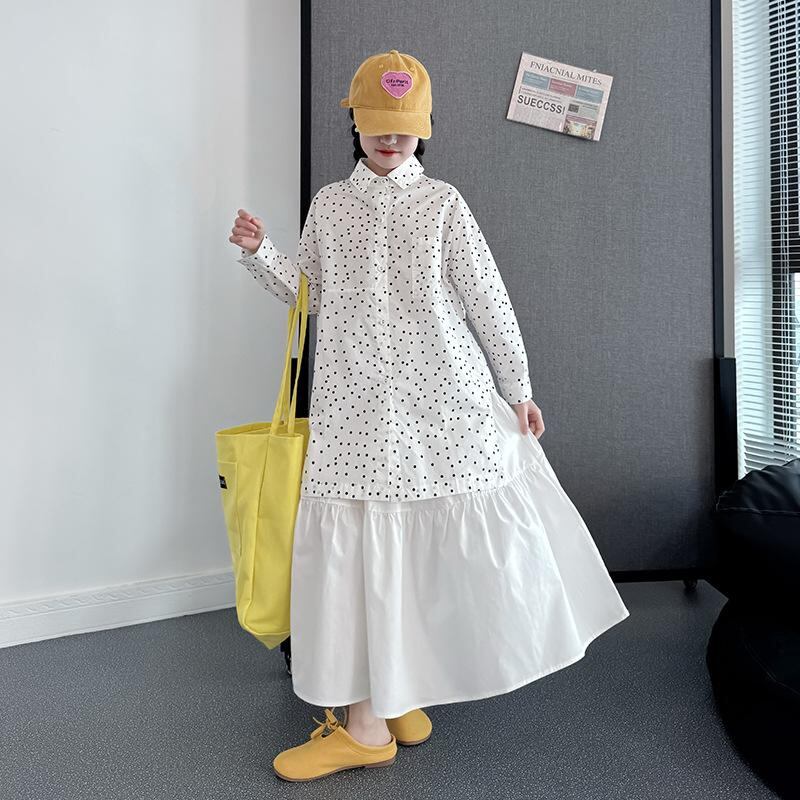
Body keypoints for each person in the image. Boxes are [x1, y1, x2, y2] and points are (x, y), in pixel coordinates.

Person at [229, 49, 630, 783]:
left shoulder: (443, 203)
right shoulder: (330, 204)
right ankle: (386, 704)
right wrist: (261, 254)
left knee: (402, 551)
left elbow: (488, 299)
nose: (392, 137)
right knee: (362, 549)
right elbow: (305, 293)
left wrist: (518, 388)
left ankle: (373, 721)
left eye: (405, 125)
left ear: (425, 127)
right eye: (378, 123)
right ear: (356, 124)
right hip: (354, 412)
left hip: (441, 406)